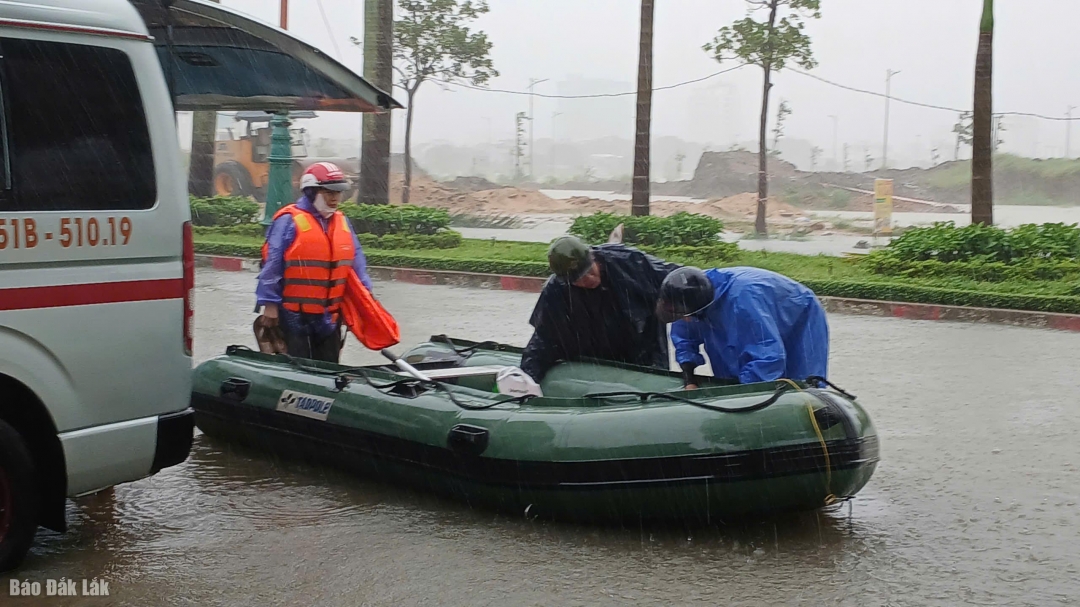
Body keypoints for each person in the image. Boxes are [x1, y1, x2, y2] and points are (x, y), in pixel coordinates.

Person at [255, 162, 373, 363]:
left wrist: (366, 298)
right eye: (329, 192)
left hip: (330, 316)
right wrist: (269, 305)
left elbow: (357, 263)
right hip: (294, 315)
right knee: (298, 369)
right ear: (311, 191)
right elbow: (273, 265)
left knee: (329, 368)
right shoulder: (288, 221)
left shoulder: (342, 223)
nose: (335, 198)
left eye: (339, 192)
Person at [520, 235, 681, 382]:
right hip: (595, 364)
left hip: (645, 355)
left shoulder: (629, 262)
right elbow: (543, 339)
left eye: (590, 271)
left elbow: (677, 279)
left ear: (593, 257)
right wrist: (527, 379)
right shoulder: (556, 291)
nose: (589, 279)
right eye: (579, 279)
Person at [655, 266, 829, 388]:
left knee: (798, 385)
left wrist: (742, 395)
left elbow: (767, 357)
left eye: (684, 317)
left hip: (799, 316)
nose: (684, 320)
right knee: (729, 372)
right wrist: (689, 377)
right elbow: (685, 339)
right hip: (750, 306)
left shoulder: (742, 303)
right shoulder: (684, 297)